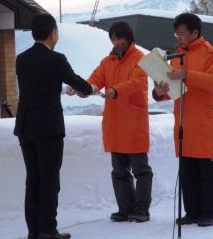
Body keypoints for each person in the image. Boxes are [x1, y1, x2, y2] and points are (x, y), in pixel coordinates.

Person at [14, 13, 93, 239]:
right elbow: (76, 81)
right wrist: (89, 89)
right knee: (49, 180)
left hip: (25, 126)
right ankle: (48, 231)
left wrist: (62, 89)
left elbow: (38, 85)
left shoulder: (22, 58)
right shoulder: (56, 59)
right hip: (48, 128)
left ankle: (34, 231)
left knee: (33, 180)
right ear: (53, 33)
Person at [72, 21, 153, 222]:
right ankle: (125, 209)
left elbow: (136, 82)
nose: (116, 42)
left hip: (134, 124)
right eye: (113, 39)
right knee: (119, 171)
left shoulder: (141, 59)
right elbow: (95, 80)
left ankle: (141, 209)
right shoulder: (107, 61)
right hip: (115, 124)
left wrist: (116, 91)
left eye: (119, 38)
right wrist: (83, 89)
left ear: (128, 38)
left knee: (141, 170)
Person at [152, 13, 213, 227]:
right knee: (188, 173)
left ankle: (210, 213)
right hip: (184, 123)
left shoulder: (212, 54)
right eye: (177, 34)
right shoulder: (177, 56)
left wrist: (187, 74)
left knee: (208, 174)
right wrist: (159, 91)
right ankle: (192, 211)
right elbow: (173, 91)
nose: (178, 38)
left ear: (195, 32)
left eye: (182, 34)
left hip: (205, 123)